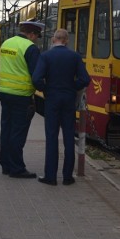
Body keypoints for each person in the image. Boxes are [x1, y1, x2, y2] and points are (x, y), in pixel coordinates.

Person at [32, 28, 90, 186]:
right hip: (69, 100)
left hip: (52, 99)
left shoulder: (46, 56)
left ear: (53, 39)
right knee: (69, 136)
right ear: (66, 41)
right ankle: (67, 177)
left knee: (52, 137)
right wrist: (72, 87)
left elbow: (36, 78)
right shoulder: (75, 56)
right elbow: (85, 79)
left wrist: (46, 89)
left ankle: (50, 176)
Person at [0, 20, 44, 179]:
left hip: (4, 93)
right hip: (21, 96)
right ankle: (17, 168)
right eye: (36, 36)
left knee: (6, 130)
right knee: (18, 132)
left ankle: (5, 165)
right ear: (31, 33)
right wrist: (46, 89)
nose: (36, 39)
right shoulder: (30, 48)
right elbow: (36, 76)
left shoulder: (6, 43)